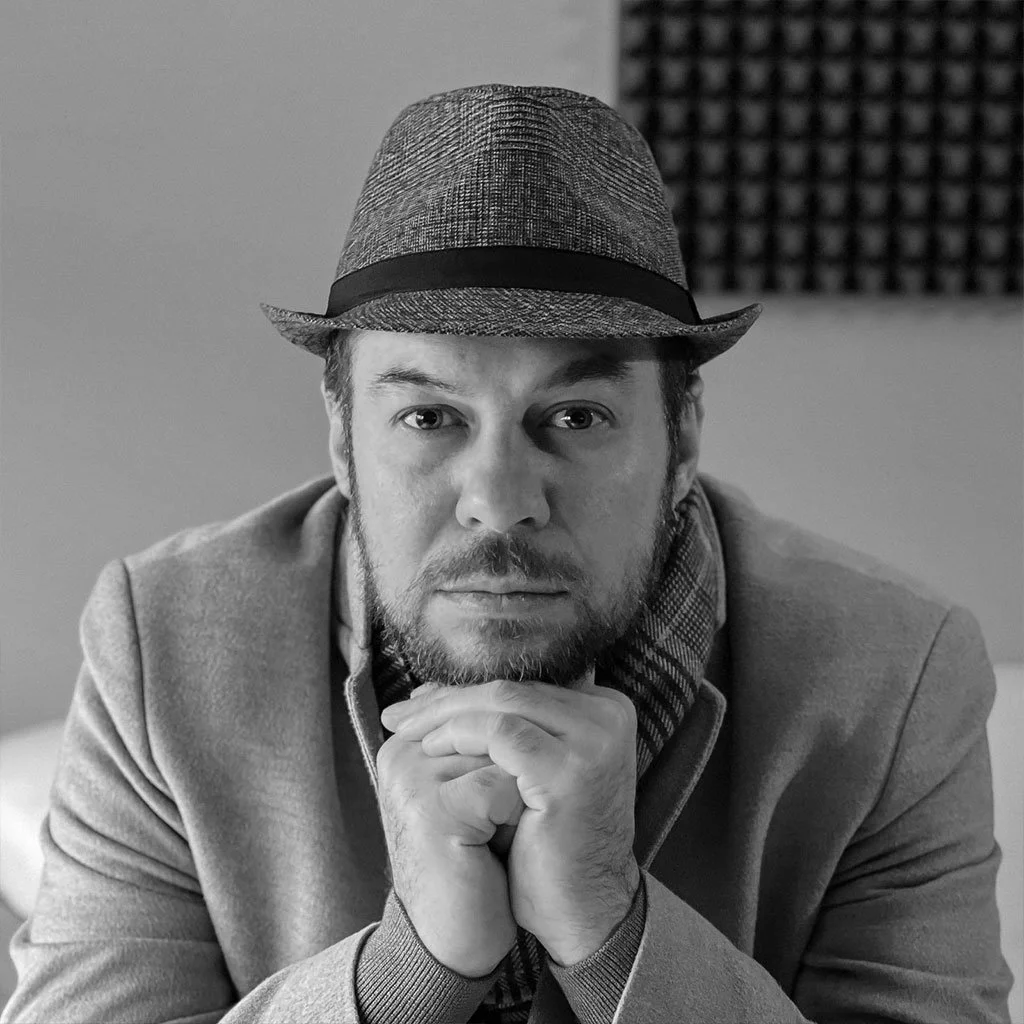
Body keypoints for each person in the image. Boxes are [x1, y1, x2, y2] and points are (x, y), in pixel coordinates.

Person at [1, 83, 1013, 1024]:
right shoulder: (163, 647)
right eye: (430, 416)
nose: (498, 502)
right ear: (340, 432)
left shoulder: (895, 678)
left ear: (683, 435)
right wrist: (409, 970)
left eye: (573, 414)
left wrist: (615, 926)